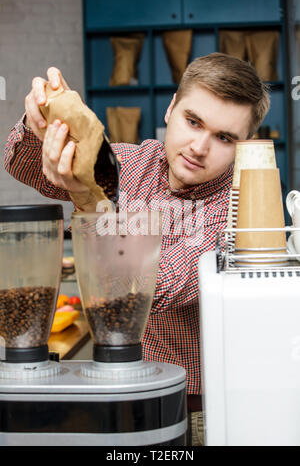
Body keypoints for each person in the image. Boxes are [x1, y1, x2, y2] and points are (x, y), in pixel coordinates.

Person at [4, 53, 270, 446]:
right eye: (193, 121)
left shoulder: (236, 209)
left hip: (196, 408)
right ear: (171, 109)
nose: (198, 147)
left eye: (224, 137)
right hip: (119, 387)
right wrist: (39, 122)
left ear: (243, 146)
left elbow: (150, 285)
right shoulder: (130, 163)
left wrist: (88, 200)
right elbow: (23, 165)